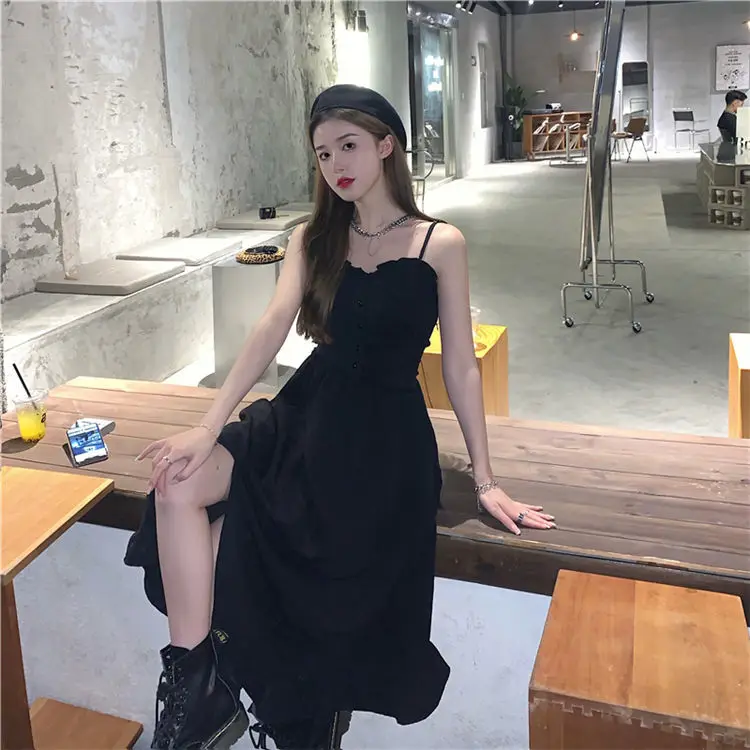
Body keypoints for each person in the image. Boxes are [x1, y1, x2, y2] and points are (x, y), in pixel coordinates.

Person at [124, 84, 557, 750]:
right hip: (305, 411)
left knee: (249, 547)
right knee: (177, 483)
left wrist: (487, 478)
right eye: (323, 154)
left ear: (387, 146)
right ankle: (197, 686)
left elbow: (461, 368)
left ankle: (274, 705)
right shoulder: (313, 237)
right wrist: (209, 426)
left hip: (383, 440)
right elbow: (271, 327)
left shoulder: (440, 243)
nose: (335, 165)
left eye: (348, 146)